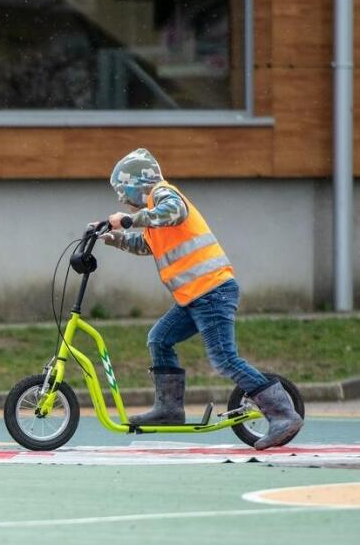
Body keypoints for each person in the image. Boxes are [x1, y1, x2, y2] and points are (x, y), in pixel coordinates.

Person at [100, 148, 302, 450]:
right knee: (159, 339)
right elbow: (147, 245)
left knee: (224, 359)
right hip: (195, 296)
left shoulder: (163, 194)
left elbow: (175, 212)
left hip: (212, 291)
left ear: (135, 184)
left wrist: (128, 220)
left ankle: (283, 414)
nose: (123, 200)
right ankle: (169, 410)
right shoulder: (155, 216)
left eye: (123, 192)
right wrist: (111, 236)